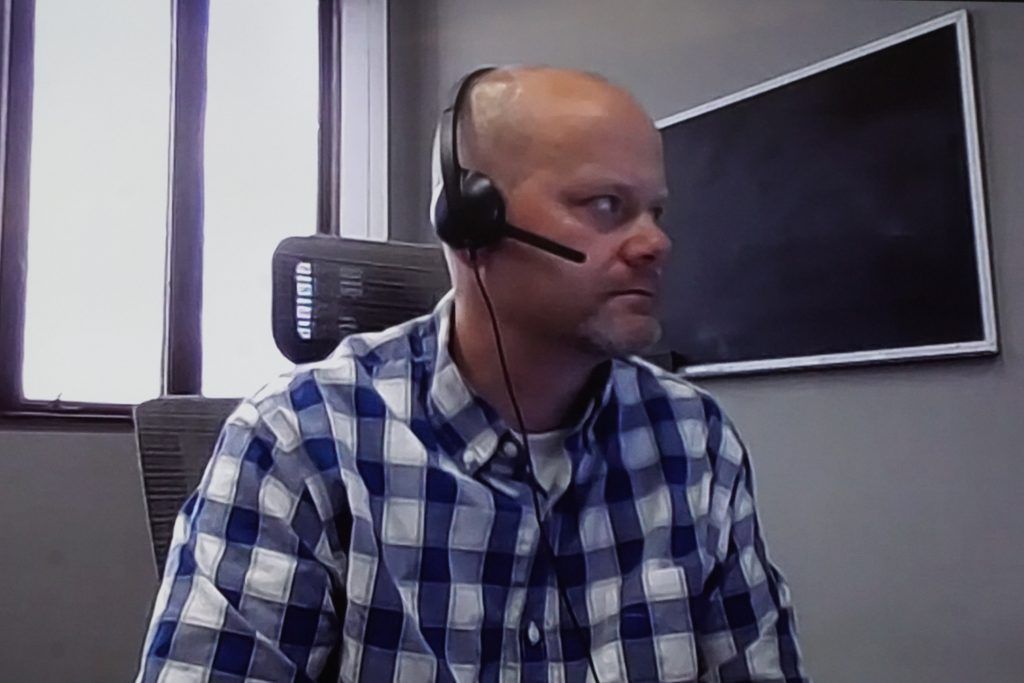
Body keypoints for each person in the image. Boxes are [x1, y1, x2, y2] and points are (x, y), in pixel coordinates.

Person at [136, 66, 808, 683]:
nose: (655, 242)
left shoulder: (693, 441)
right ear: (473, 223)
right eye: (606, 205)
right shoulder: (298, 441)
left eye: (654, 212)